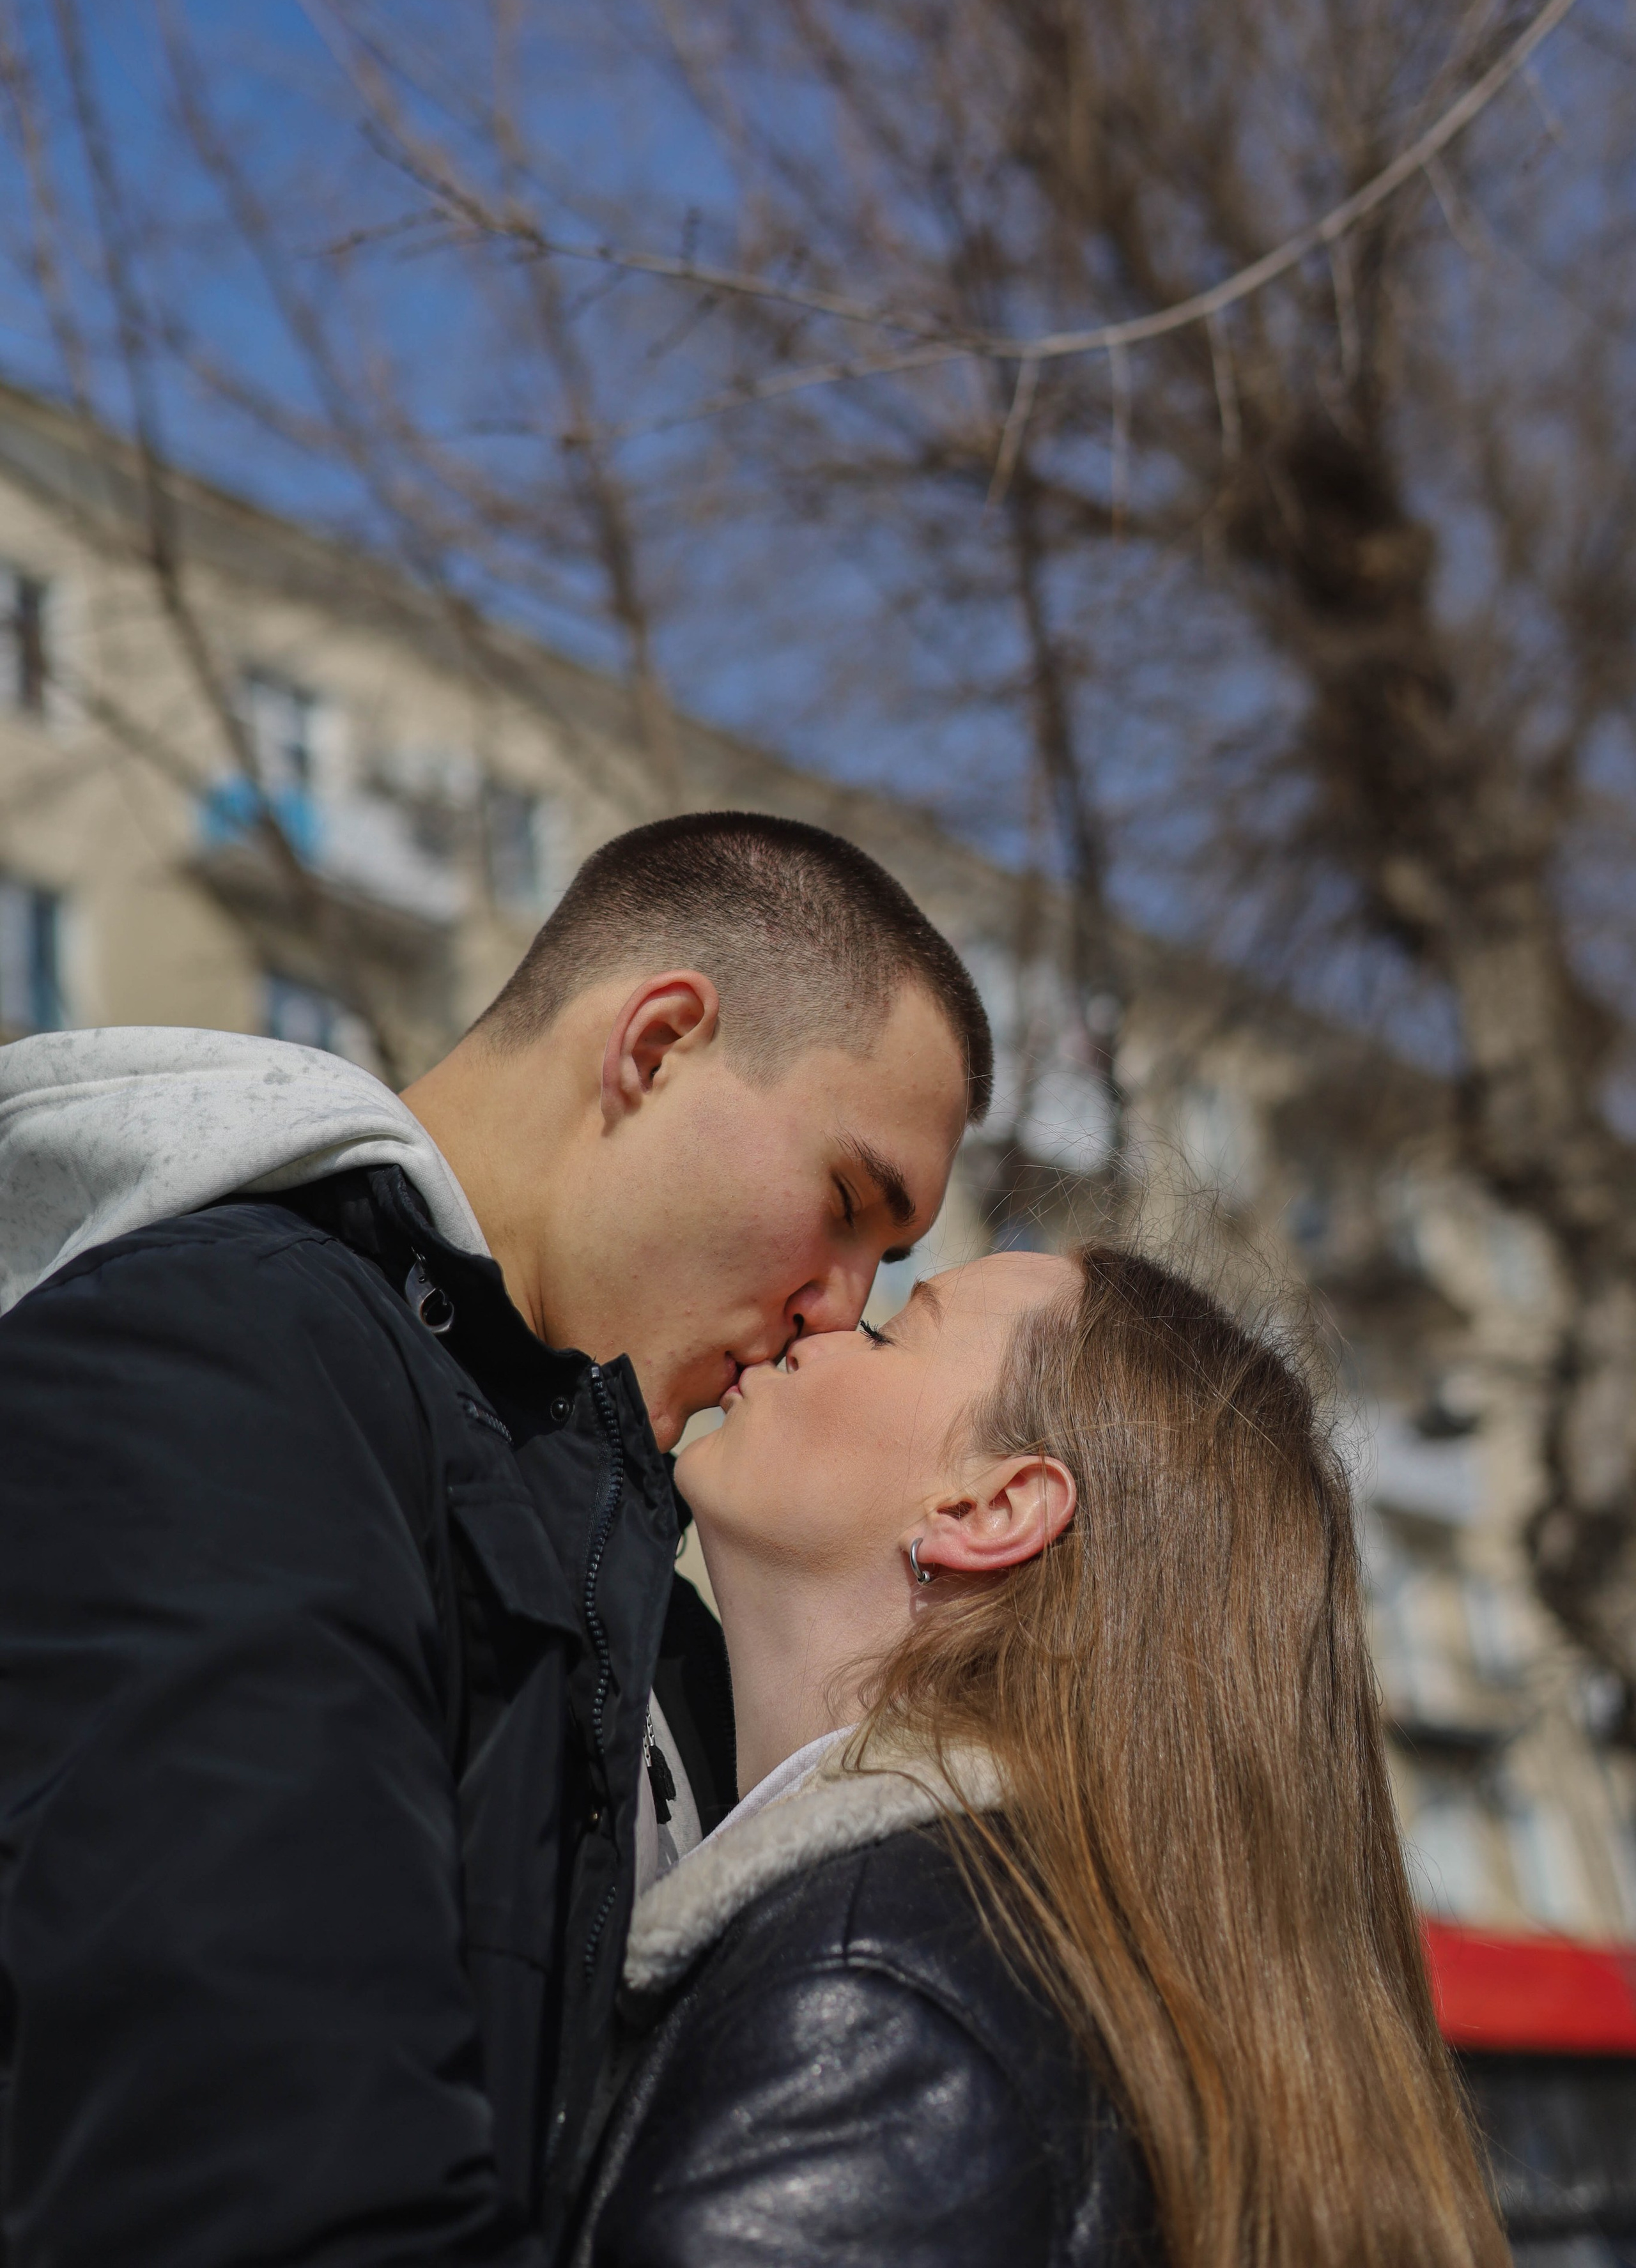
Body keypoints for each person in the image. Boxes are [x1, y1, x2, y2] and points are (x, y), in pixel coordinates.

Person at [0, 810, 991, 2268]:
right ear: (653, 1047)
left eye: (885, 1267)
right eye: (847, 1204)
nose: (839, 1308)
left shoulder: (624, 1566)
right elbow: (259, 2177)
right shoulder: (227, 1355)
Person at [569, 1246, 1509, 2268]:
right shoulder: (1007, 1963)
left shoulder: (883, 1989)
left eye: (890, 1329)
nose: (820, 1323)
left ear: (991, 1511)